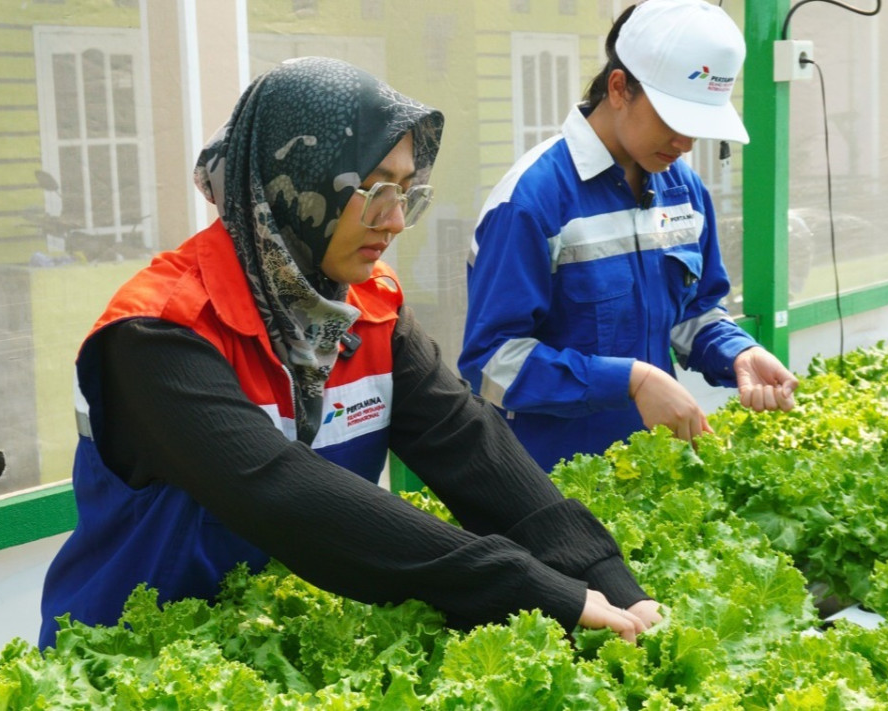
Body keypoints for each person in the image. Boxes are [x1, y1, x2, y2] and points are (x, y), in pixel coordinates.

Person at [38, 57, 661, 651]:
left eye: (408, 194)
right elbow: (280, 494)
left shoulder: (368, 309)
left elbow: (470, 446)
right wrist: (530, 589)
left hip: (263, 647)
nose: (393, 223)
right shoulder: (157, 333)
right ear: (297, 187)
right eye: (373, 192)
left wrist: (604, 576)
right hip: (131, 659)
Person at [458, 0, 799, 472]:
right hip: (547, 479)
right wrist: (628, 380)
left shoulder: (684, 191)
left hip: (652, 469)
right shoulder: (531, 201)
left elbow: (692, 312)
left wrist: (738, 351)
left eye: (699, 126)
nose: (685, 143)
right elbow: (491, 363)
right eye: (674, 120)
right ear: (619, 88)